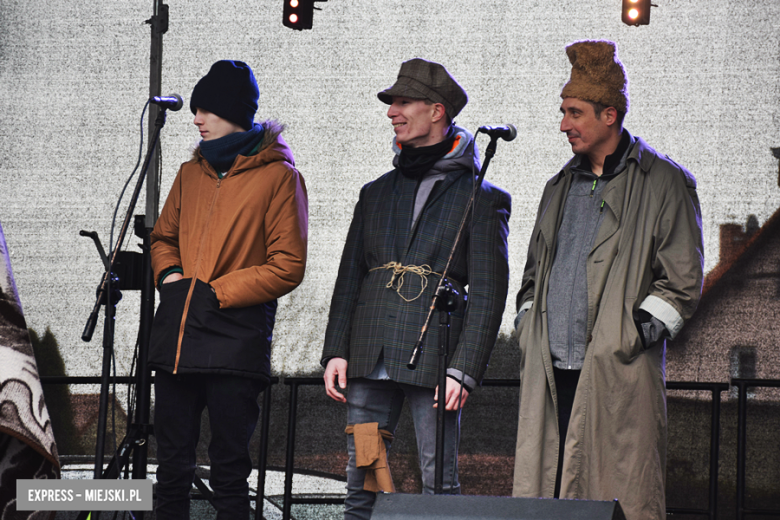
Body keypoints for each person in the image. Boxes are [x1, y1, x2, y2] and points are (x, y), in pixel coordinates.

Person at [511, 40, 704, 520]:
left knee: (617, 497)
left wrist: (626, 337)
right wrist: (528, 330)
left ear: (610, 115)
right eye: (563, 111)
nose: (563, 124)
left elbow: (681, 285)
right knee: (546, 498)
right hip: (549, 373)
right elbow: (532, 277)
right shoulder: (557, 187)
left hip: (616, 374)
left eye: (574, 112)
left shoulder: (663, 182)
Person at [321, 58, 511, 519]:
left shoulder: (482, 196)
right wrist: (335, 350)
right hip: (367, 356)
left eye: (404, 102)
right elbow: (350, 278)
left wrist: (463, 369)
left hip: (436, 360)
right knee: (362, 481)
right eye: (392, 103)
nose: (392, 111)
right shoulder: (375, 192)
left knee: (438, 485)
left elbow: (488, 293)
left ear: (437, 110)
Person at [148, 60, 308, 519]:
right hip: (178, 338)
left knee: (229, 472)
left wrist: (214, 293)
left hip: (234, 342)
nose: (196, 118)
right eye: (195, 109)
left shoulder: (280, 177)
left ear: (234, 113)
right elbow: (162, 238)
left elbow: (288, 266)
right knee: (171, 469)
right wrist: (169, 278)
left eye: (206, 110)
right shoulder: (188, 173)